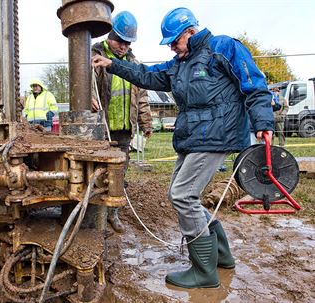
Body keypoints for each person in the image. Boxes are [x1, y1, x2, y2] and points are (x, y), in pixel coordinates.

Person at [92, 7, 274, 288]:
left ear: (189, 31)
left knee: (183, 195)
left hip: (217, 135)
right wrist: (113, 64)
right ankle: (222, 256)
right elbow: (146, 74)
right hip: (192, 138)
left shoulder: (223, 47)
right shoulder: (179, 64)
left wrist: (263, 121)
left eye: (175, 42)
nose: (173, 49)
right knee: (181, 194)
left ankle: (204, 272)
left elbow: (254, 84)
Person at [92, 11, 153, 233]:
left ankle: (112, 214)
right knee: (98, 172)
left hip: (124, 130)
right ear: (110, 34)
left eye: (127, 43)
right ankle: (95, 215)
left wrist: (146, 122)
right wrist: (88, 95)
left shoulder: (133, 63)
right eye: (120, 41)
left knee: (119, 173)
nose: (123, 47)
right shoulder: (94, 55)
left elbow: (142, 97)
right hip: (102, 128)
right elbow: (83, 80)